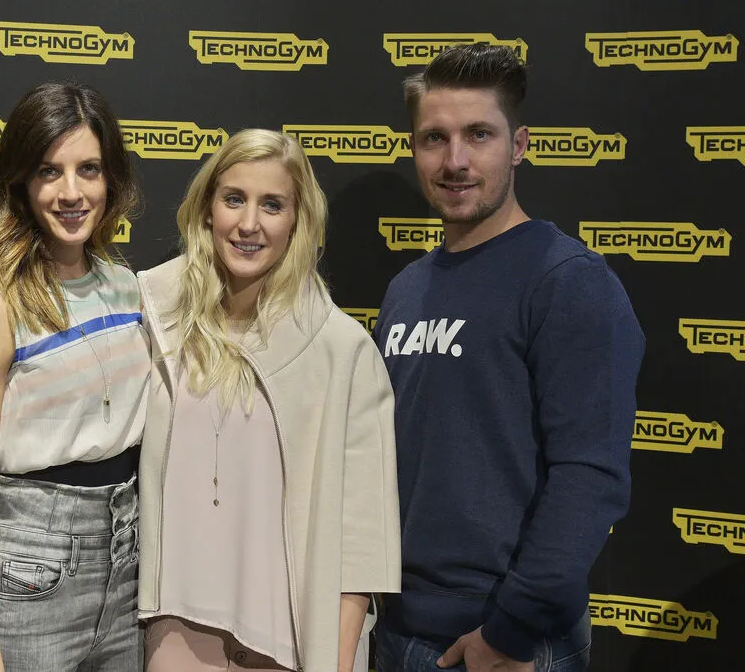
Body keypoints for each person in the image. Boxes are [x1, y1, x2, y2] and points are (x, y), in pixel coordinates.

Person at [373, 43, 645, 672]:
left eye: (479, 134)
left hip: (508, 642)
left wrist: (512, 631)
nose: (456, 160)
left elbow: (589, 474)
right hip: (397, 627)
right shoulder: (406, 288)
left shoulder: (568, 281)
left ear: (518, 145)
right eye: (435, 138)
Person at [135, 128, 402, 672]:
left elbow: (363, 546)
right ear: (207, 208)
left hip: (288, 646)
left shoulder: (341, 351)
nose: (249, 223)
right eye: (234, 199)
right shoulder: (154, 314)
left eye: (272, 205)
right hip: (174, 633)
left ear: (298, 221)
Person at [0, 81, 149, 672]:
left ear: (112, 179)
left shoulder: (125, 285)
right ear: (21, 183)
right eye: (49, 171)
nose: (71, 192)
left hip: (129, 561)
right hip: (29, 569)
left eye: (89, 169)